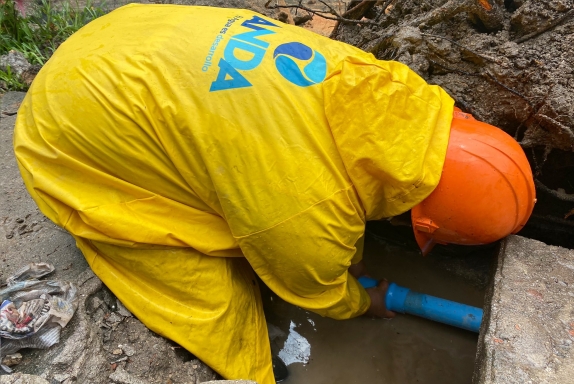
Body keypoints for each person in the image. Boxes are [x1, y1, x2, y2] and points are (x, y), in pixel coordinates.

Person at [13, 4, 535, 383]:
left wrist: (340, 254)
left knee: (242, 200)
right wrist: (365, 300)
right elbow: (313, 290)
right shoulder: (307, 206)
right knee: (207, 296)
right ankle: (252, 373)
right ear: (422, 219)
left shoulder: (393, 89)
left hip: (124, 41)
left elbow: (330, 197)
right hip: (65, 136)